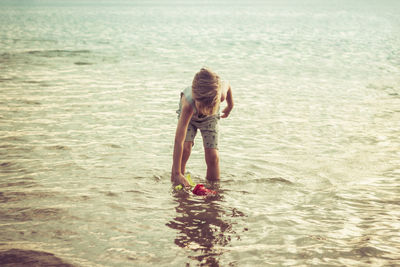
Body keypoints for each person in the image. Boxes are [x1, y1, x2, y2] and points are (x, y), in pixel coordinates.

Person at [171, 68, 234, 187]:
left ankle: (213, 190)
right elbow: (178, 140)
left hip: (211, 119)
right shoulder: (188, 105)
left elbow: (227, 84)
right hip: (190, 118)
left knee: (213, 156)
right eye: (202, 107)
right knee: (185, 149)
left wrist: (230, 106)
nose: (205, 111)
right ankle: (177, 182)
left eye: (210, 107)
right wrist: (177, 173)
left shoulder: (220, 95)